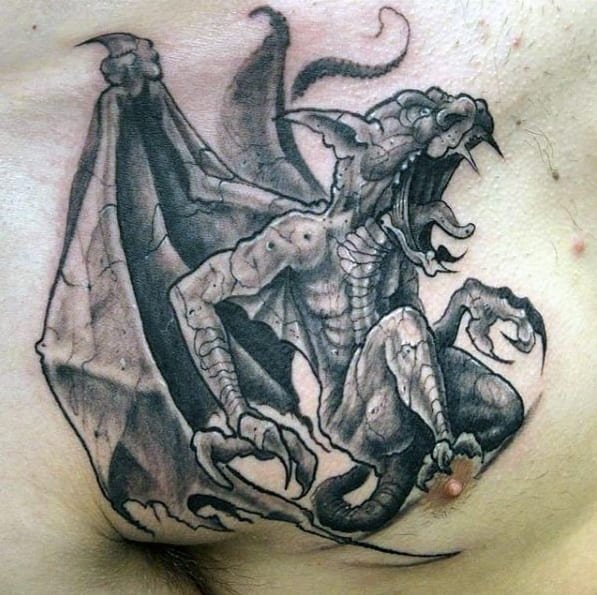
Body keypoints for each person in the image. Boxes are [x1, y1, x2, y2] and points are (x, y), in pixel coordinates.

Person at [1, 1, 595, 593]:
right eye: (417, 116)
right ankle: (439, 444)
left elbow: (408, 347)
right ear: (354, 142)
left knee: (494, 399)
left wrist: (461, 305)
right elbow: (190, 294)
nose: (444, 120)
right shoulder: (302, 239)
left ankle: (433, 445)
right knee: (403, 331)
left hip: (406, 418)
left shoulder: (392, 246)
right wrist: (238, 410)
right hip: (350, 414)